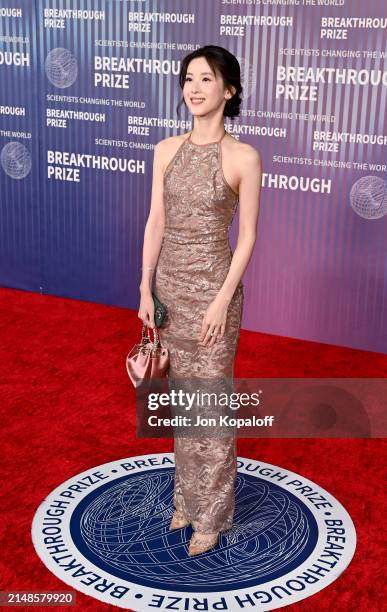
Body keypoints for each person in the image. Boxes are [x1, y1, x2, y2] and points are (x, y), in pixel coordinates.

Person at [138, 45, 262, 555]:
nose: (194, 87)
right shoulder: (166, 149)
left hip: (215, 290)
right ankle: (186, 498)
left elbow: (249, 236)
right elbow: (156, 222)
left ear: (228, 90)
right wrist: (145, 287)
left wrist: (219, 301)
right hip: (169, 288)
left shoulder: (243, 157)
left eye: (206, 79)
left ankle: (210, 515)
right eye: (188, 78)